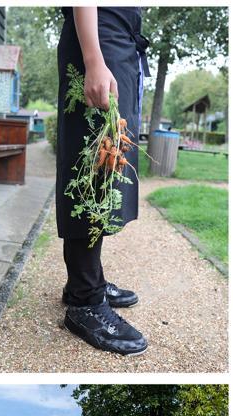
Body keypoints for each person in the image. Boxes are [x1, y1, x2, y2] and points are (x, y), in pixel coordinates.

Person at [56, 6, 150, 355]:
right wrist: (94, 59)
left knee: (106, 172)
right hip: (98, 37)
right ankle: (85, 301)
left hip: (116, 40)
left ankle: (85, 281)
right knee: (91, 171)